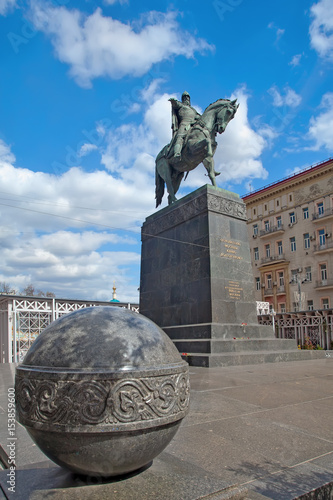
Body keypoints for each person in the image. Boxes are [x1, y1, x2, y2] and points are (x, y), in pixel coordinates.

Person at [168, 91, 201, 162]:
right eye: (185, 97)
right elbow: (176, 104)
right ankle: (177, 153)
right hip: (184, 124)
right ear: (182, 99)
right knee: (180, 137)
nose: (186, 98)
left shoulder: (193, 110)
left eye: (188, 97)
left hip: (193, 125)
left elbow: (199, 117)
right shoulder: (181, 105)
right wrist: (173, 101)